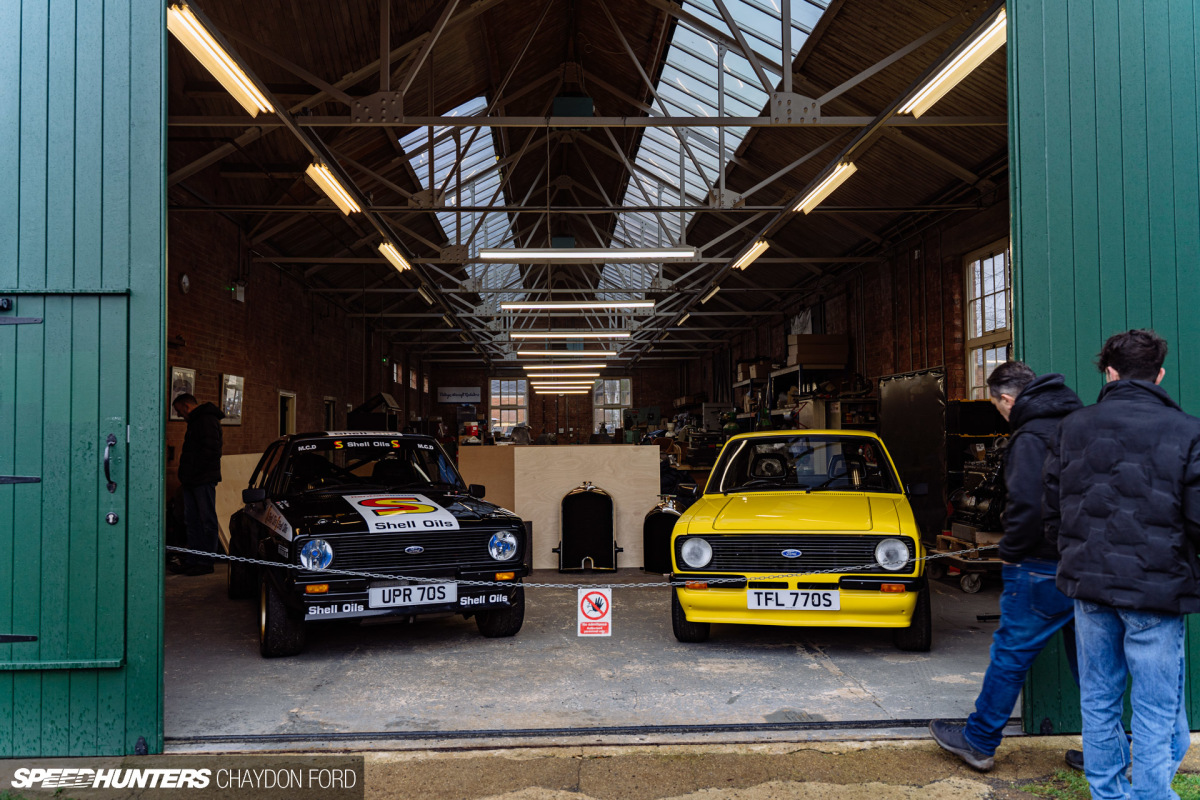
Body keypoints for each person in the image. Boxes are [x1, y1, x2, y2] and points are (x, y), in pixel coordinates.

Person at [1044, 329, 1200, 800]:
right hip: (1157, 590)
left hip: (1089, 588)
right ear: (1160, 375)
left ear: (1109, 373)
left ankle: (1108, 795)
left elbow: (1052, 509)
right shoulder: (1189, 431)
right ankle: (1152, 794)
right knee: (1156, 707)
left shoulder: (1071, 426)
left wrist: (1074, 555)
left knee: (1098, 699)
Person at [930, 361, 1083, 772]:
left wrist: (1011, 550)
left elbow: (1027, 504)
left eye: (998, 407)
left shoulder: (1031, 435)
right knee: (1093, 663)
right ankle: (1111, 750)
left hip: (1039, 565)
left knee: (1010, 654)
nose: (1000, 414)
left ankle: (979, 742)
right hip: (1085, 562)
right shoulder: (1081, 423)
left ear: (1008, 399)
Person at [171, 392, 225, 576]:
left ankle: (205, 561)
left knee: (205, 520)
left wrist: (194, 474)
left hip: (201, 480)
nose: (179, 416)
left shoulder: (206, 421)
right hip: (194, 480)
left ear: (186, 406)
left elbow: (211, 452)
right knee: (192, 521)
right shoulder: (198, 421)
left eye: (179, 411)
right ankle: (195, 559)